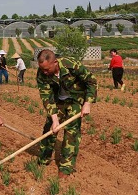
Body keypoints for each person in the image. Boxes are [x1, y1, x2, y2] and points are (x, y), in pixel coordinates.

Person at [36, 49, 97, 177]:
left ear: (55, 62)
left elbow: (91, 81)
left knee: (71, 133)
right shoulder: (42, 74)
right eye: (42, 69)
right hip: (57, 101)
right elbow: (46, 97)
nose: (44, 72)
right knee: (50, 129)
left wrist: (87, 103)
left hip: (75, 100)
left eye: (47, 69)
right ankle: (43, 159)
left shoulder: (72, 65)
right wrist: (55, 120)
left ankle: (66, 167)